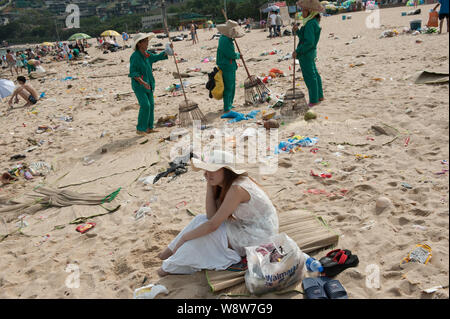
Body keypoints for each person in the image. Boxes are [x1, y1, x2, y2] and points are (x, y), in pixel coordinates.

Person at [157, 150, 279, 277]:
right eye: (206, 170)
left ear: (226, 171)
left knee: (210, 235)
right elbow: (210, 216)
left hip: (259, 235)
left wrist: (184, 237)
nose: (207, 174)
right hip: (247, 226)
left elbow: (213, 225)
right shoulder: (228, 184)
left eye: (213, 170)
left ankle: (169, 266)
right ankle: (169, 253)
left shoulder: (237, 188)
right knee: (200, 219)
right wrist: (210, 185)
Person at [129, 33, 173, 136]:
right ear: (139, 44)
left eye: (147, 41)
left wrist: (167, 50)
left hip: (149, 83)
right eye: (145, 41)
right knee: (145, 105)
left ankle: (149, 127)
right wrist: (143, 82)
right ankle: (140, 129)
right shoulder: (135, 56)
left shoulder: (147, 54)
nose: (147, 43)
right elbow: (133, 73)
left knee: (151, 105)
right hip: (139, 85)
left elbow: (157, 57)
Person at [293, 0, 324, 107]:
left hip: (306, 53)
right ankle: (319, 95)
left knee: (310, 76)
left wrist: (298, 51)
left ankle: (314, 100)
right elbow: (304, 37)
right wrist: (297, 31)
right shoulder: (311, 21)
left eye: (304, 10)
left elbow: (309, 42)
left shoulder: (310, 23)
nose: (302, 12)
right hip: (310, 53)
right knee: (314, 74)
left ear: (310, 11)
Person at [216, 20, 245, 113]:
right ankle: (226, 107)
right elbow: (230, 54)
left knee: (232, 85)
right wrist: (238, 55)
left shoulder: (227, 39)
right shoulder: (224, 40)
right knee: (228, 86)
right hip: (226, 65)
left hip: (230, 65)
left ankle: (229, 103)